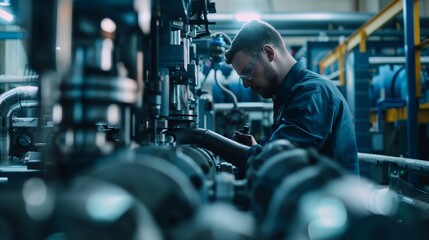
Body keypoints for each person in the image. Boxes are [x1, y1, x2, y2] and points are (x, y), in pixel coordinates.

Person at [224, 20, 359, 174]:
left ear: (269, 53)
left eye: (247, 72)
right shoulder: (287, 96)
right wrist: (257, 150)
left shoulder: (311, 94)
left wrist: (203, 137)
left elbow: (276, 165)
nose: (246, 85)